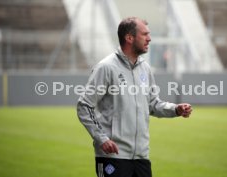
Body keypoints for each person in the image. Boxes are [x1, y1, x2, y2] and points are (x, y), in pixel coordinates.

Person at [77, 17, 192, 177]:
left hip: (141, 158)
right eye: (145, 34)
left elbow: (152, 104)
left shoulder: (145, 68)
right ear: (129, 38)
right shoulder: (106, 67)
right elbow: (84, 105)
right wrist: (101, 139)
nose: (149, 38)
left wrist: (175, 109)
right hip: (113, 157)